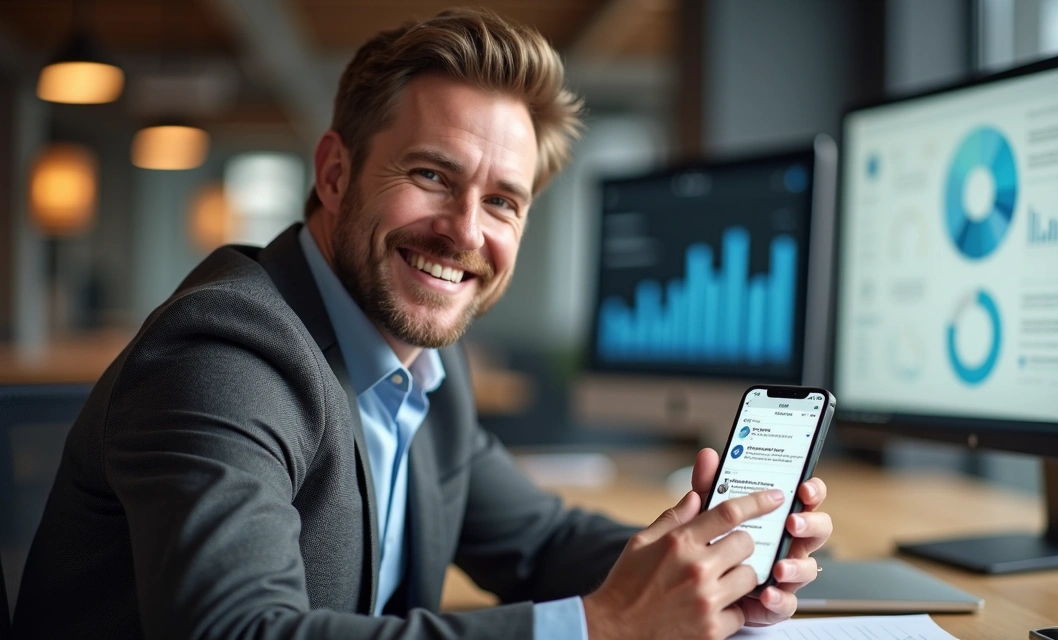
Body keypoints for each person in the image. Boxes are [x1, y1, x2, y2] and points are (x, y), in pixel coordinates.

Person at [12, 8, 832, 640]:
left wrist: (716, 557)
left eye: (503, 201)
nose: (466, 232)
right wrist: (601, 626)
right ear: (335, 173)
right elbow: (239, 633)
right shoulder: (226, 355)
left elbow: (540, 543)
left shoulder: (421, 366)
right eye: (433, 175)